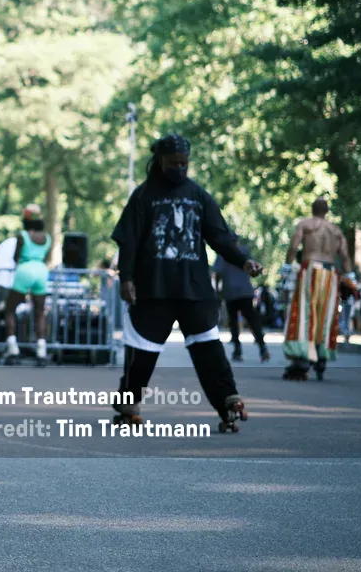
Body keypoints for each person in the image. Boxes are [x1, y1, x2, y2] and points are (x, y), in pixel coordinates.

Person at [110, 133, 264, 432]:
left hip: (194, 288)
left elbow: (219, 236)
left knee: (208, 347)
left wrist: (242, 261)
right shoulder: (143, 196)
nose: (179, 168)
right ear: (160, 161)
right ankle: (129, 403)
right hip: (154, 288)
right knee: (141, 350)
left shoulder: (197, 195)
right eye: (173, 163)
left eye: (184, 163)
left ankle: (227, 401)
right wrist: (126, 278)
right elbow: (128, 242)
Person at [280, 198, 351, 380]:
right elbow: (344, 255)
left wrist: (287, 267)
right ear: (327, 210)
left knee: (305, 312)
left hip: (311, 269)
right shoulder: (335, 230)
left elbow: (294, 246)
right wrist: (350, 277)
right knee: (325, 315)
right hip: (330, 273)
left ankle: (304, 354)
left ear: (312, 209)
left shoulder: (305, 224)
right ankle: (321, 356)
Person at [1, 204, 54, 367]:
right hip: (41, 271)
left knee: (9, 309)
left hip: (25, 269)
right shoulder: (47, 237)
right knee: (39, 312)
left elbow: (16, 257)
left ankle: (13, 348)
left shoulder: (22, 235)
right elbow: (46, 257)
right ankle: (41, 350)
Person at [215, 241, 270, 363]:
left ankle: (237, 350)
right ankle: (262, 347)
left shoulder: (223, 252)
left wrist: (218, 290)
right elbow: (253, 269)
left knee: (233, 321)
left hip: (230, 291)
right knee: (251, 319)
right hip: (245, 290)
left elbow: (218, 272)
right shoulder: (244, 251)